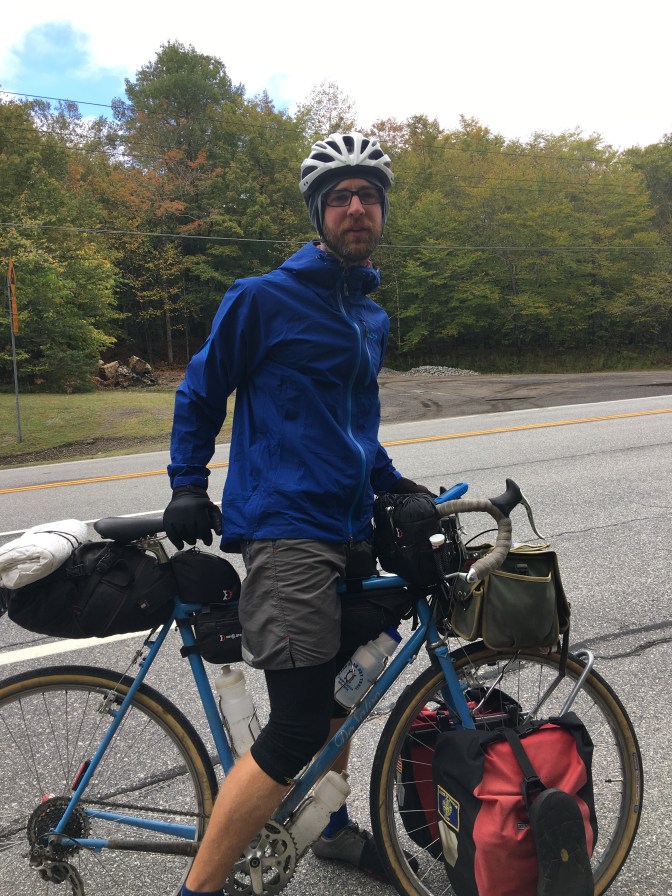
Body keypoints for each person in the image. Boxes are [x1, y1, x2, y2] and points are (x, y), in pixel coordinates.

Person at [164, 131, 432, 896]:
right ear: (319, 214)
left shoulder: (368, 317)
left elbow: (354, 430)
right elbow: (201, 391)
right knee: (293, 729)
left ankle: (332, 831)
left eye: (368, 196)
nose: (356, 207)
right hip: (288, 535)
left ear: (382, 212)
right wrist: (188, 481)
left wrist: (396, 485)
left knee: (344, 693)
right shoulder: (263, 298)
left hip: (350, 531)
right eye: (339, 197)